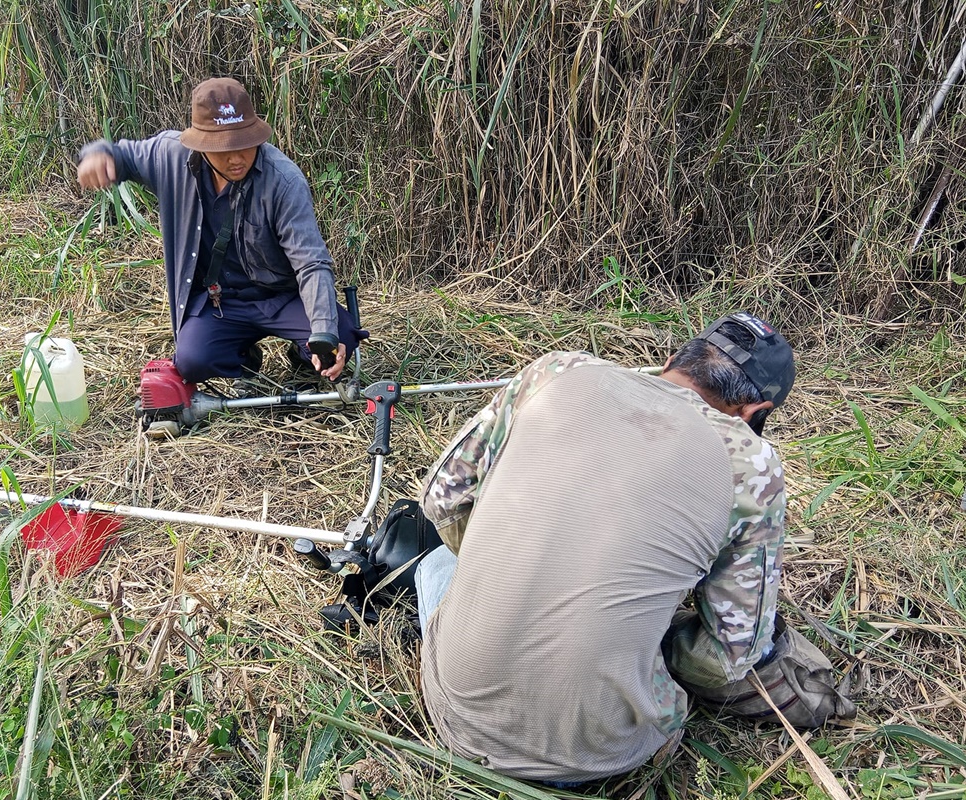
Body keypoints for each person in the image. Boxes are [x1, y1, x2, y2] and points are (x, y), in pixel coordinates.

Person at [413, 312, 856, 785]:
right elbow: (731, 653)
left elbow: (440, 501)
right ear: (754, 414)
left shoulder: (555, 371)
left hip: (452, 709)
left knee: (438, 563)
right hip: (592, 753)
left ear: (670, 362)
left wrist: (513, 557)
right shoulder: (752, 462)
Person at [76, 77, 364, 385]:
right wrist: (98, 154)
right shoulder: (172, 157)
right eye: (224, 149)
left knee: (339, 335)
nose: (237, 157)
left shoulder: (284, 180)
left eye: (244, 144)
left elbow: (311, 263)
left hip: (282, 297)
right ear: (201, 144)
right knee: (193, 361)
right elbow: (123, 157)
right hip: (220, 303)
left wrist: (322, 333)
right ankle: (243, 357)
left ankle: (302, 353)